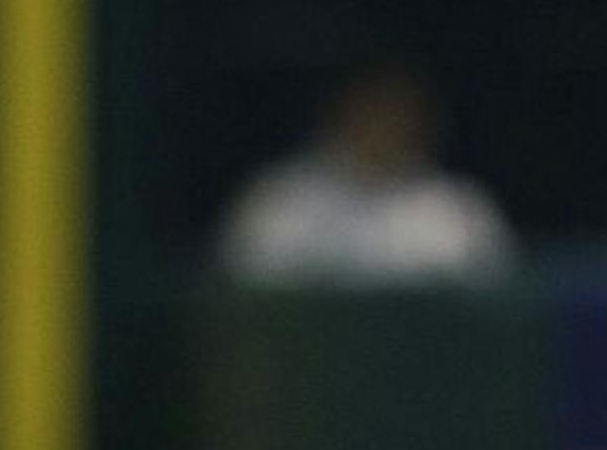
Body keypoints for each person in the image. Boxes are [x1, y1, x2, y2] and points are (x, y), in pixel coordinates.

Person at [219, 58, 514, 285]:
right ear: (341, 112)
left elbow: (492, 312)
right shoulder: (280, 200)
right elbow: (246, 302)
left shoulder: (457, 208)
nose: (384, 124)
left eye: (397, 111)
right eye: (372, 109)